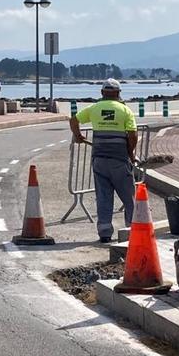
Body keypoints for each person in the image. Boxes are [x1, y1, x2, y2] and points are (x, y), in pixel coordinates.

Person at [69, 78, 138, 243]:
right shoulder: (124, 110)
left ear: (102, 93)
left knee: (104, 197)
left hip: (99, 160)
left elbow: (73, 120)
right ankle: (132, 231)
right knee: (129, 197)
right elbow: (133, 134)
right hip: (119, 160)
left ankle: (105, 232)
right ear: (118, 93)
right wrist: (131, 153)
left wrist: (78, 136)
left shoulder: (94, 108)